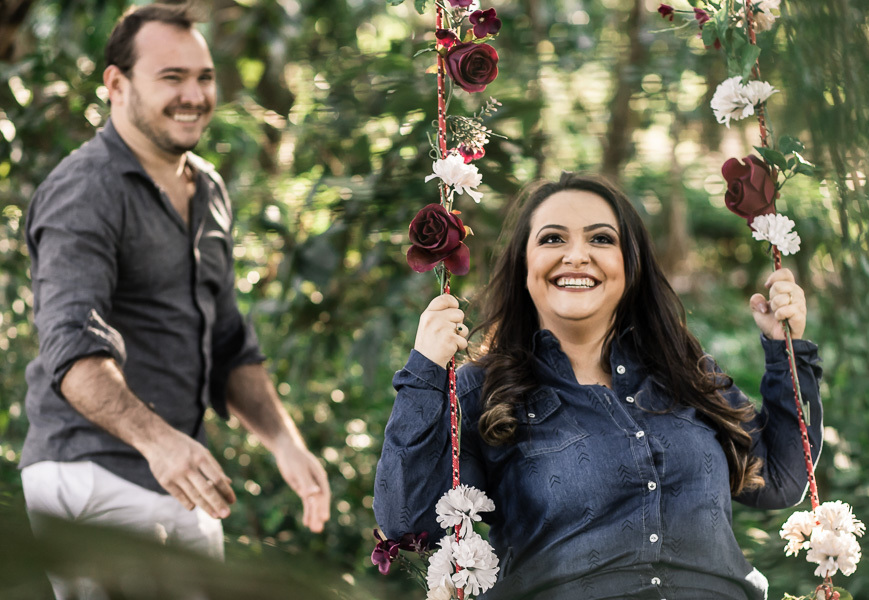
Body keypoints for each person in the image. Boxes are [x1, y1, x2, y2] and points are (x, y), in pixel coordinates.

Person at [374, 174, 823, 600]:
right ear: (523, 265)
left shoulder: (684, 373)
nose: (576, 255)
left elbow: (781, 479)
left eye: (601, 239)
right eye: (552, 238)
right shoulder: (483, 392)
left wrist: (786, 347)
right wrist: (424, 374)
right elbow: (408, 524)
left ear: (630, 263)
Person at [19, 2, 330, 583]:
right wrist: (159, 443)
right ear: (116, 83)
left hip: (180, 479)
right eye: (171, 78)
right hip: (93, 474)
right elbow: (71, 349)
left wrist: (284, 443)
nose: (194, 95)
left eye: (204, 77)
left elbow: (229, 339)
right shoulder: (83, 191)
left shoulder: (208, 187)